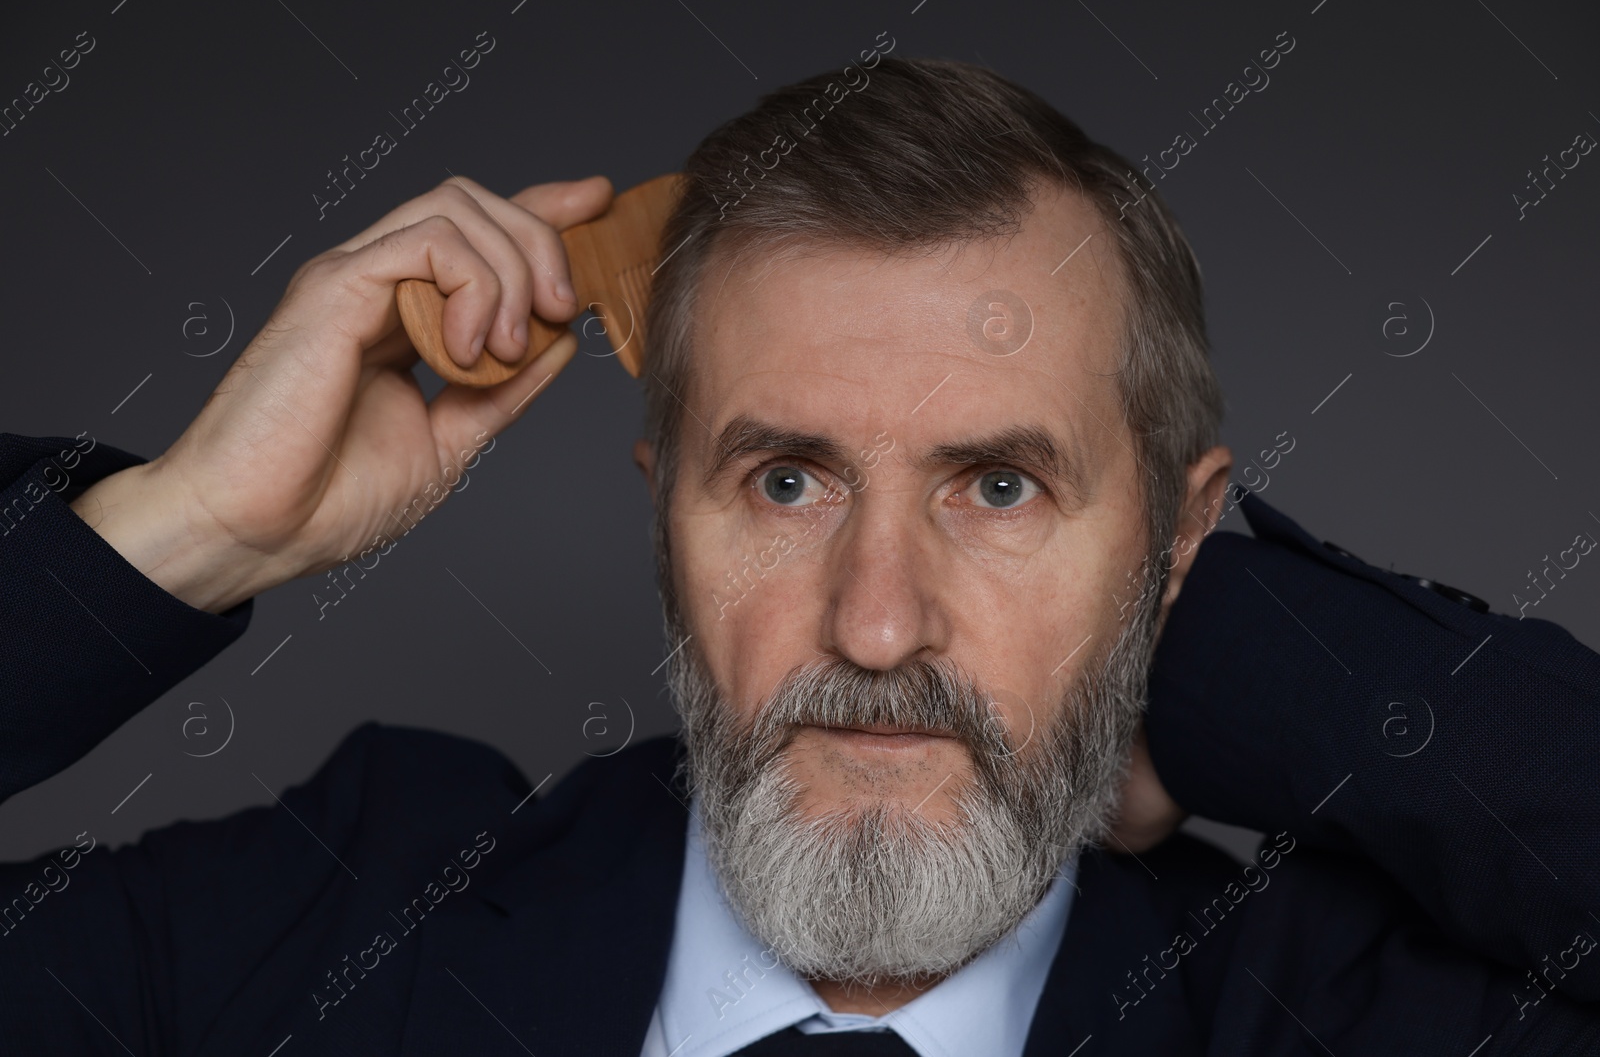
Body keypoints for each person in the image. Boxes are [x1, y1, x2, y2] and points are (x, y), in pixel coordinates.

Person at [1, 57, 1596, 1057]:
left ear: (1171, 532)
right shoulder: (347, 915)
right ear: (662, 512)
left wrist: (1232, 646)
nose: (880, 625)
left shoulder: (1339, 1009)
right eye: (784, 482)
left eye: (999, 489)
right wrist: (193, 528)